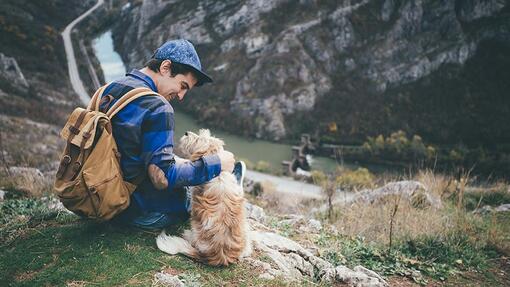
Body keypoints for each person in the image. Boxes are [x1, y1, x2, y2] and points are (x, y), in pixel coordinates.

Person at [97, 39, 244, 229]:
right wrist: (217, 163)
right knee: (204, 192)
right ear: (165, 67)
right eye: (182, 86)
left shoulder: (111, 88)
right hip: (139, 212)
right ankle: (232, 182)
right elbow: (162, 178)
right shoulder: (158, 106)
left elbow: (129, 150)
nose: (181, 96)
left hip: (103, 199)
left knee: (186, 167)